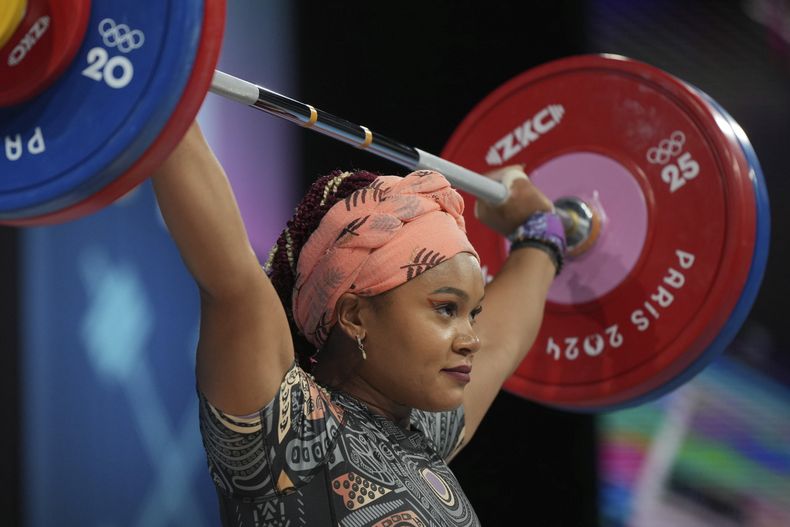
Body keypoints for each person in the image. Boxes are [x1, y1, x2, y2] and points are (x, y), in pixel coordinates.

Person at [151, 122, 564, 526]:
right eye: (445, 309)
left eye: (472, 313)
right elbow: (230, 279)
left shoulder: (421, 435)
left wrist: (544, 232)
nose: (471, 339)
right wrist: (163, 86)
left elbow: (499, 343)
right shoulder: (293, 432)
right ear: (354, 316)